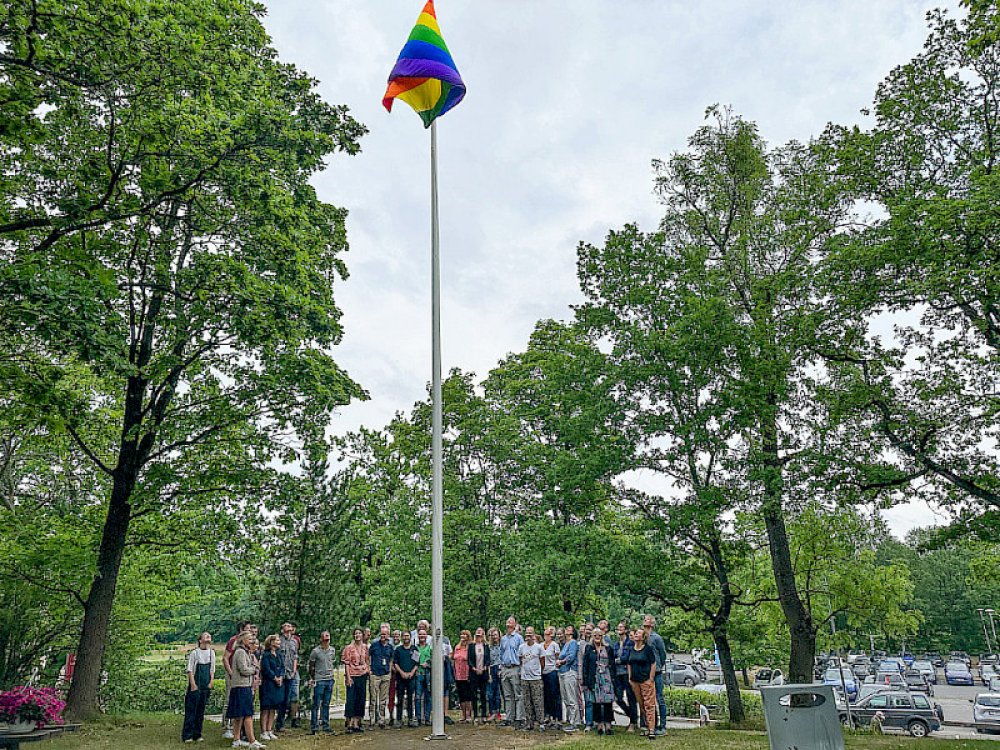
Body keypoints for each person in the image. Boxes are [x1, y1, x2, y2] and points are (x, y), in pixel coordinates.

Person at [227, 632, 264, 750]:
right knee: (247, 715)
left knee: (239, 716)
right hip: (241, 686)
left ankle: (236, 739)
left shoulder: (245, 652)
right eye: (249, 638)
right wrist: (254, 669)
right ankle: (252, 741)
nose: (251, 641)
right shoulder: (240, 652)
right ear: (243, 640)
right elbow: (243, 669)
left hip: (242, 686)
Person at [182, 632, 215, 743]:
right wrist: (193, 684)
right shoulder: (195, 653)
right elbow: (190, 669)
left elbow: (212, 670)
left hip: (205, 685)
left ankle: (197, 734)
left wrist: (211, 682)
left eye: (209, 636)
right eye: (206, 636)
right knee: (192, 710)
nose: (208, 638)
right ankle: (187, 735)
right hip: (196, 684)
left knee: (201, 710)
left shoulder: (211, 653)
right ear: (200, 640)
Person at [583, 627, 615, 735]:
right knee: (596, 701)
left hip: (606, 677)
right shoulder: (589, 648)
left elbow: (612, 664)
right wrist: (585, 680)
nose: (597, 637)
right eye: (595, 635)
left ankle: (608, 724)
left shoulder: (608, 648)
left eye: (600, 635)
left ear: (602, 637)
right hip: (594, 678)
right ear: (592, 637)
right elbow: (585, 665)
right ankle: (599, 724)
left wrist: (614, 679)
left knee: (607, 702)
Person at [627, 627, 658, 740]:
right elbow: (629, 663)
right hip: (635, 681)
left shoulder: (648, 649)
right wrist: (629, 677)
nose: (636, 634)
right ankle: (645, 726)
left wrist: (651, 678)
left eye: (638, 633)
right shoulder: (632, 649)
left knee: (649, 704)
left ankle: (652, 730)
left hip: (645, 680)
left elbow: (653, 663)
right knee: (641, 705)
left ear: (643, 637)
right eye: (635, 633)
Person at [222, 620, 250, 740]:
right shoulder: (233, 641)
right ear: (241, 629)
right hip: (234, 675)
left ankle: (239, 729)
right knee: (229, 700)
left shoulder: (247, 644)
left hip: (243, 677)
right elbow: (225, 658)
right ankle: (226, 727)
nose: (250, 631)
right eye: (247, 628)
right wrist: (231, 673)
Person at [643, 614, 668, 736]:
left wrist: (658, 666)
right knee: (648, 701)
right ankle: (650, 725)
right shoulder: (642, 637)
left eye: (649, 620)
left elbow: (662, 654)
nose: (646, 621)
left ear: (652, 624)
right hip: (644, 673)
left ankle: (662, 726)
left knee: (659, 699)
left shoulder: (656, 638)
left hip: (656, 673)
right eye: (645, 619)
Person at [611, 620, 638, 732]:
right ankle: (632, 715)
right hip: (618, 674)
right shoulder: (616, 644)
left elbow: (627, 658)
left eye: (621, 627)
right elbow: (612, 658)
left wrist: (617, 660)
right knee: (618, 698)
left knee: (631, 698)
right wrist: (617, 661)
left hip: (627, 673)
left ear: (626, 630)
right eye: (618, 627)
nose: (619, 629)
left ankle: (632, 723)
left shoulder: (630, 643)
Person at [343, 627, 371, 733]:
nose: (357, 635)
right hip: (352, 675)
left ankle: (356, 723)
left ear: (362, 635)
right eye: (356, 634)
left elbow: (367, 660)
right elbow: (346, 663)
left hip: (362, 675)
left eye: (359, 633)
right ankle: (349, 723)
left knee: (360, 699)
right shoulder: (348, 648)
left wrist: (368, 670)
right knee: (351, 699)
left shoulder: (365, 647)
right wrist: (348, 677)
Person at [307, 631, 336, 735]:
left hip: (330, 679)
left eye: (328, 637)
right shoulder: (316, 651)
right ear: (321, 639)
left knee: (326, 703)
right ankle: (314, 726)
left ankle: (325, 724)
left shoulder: (332, 650)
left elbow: (332, 662)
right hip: (319, 680)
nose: (327, 640)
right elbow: (311, 665)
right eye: (325, 638)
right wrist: (312, 677)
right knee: (316, 704)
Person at [517, 626, 544, 731]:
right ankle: (529, 723)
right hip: (524, 677)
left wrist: (538, 672)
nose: (528, 635)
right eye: (527, 633)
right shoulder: (521, 647)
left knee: (538, 700)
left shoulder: (539, 647)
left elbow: (542, 662)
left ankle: (541, 722)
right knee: (527, 701)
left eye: (530, 633)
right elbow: (520, 660)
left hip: (536, 678)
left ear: (533, 635)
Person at [499, 616, 524, 726]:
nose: (508, 624)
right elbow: (501, 653)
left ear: (515, 625)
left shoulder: (519, 638)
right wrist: (501, 668)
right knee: (507, 695)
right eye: (507, 622)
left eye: (511, 622)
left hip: (515, 668)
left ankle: (519, 718)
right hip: (505, 668)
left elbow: (522, 654)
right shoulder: (503, 639)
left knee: (518, 694)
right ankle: (509, 718)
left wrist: (521, 669)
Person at [275, 622, 299, 732]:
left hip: (291, 673)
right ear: (282, 629)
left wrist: (294, 670)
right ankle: (279, 723)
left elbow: (295, 656)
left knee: (289, 698)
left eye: (290, 626)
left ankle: (289, 721)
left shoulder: (294, 641)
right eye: (286, 626)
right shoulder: (279, 641)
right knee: (281, 699)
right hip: (281, 674)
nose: (289, 627)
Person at [259, 635, 284, 741]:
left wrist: (281, 677)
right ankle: (263, 731)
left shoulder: (279, 654)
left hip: (278, 683)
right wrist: (274, 677)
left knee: (273, 707)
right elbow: (266, 669)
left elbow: (282, 666)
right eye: (277, 640)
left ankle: (270, 730)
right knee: (266, 708)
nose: (279, 642)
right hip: (268, 683)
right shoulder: (266, 655)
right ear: (271, 642)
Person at [369, 623, 394, 729]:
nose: (383, 636)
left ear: (388, 635)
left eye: (385, 634)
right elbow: (369, 657)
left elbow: (391, 660)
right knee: (373, 699)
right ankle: (371, 720)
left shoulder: (390, 647)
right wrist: (370, 669)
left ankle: (382, 720)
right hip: (375, 674)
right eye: (382, 634)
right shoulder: (374, 645)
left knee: (383, 699)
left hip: (385, 674)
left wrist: (390, 671)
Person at [557, 624, 580, 732]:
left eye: (569, 628)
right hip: (562, 672)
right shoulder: (565, 644)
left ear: (572, 632)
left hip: (569, 672)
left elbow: (571, 657)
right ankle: (569, 720)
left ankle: (574, 722)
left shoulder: (573, 642)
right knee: (565, 698)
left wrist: (560, 661)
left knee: (571, 698)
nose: (566, 629)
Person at [393, 631, 419, 728]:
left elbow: (416, 663)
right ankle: (399, 719)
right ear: (401, 638)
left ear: (410, 637)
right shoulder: (398, 650)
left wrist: (411, 673)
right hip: (400, 678)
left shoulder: (414, 649)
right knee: (399, 699)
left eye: (407, 636)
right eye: (404, 636)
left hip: (411, 678)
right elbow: (395, 663)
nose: (405, 638)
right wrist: (401, 672)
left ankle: (410, 719)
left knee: (410, 699)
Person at [540, 626, 561, 728]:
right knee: (546, 695)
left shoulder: (554, 645)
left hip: (552, 671)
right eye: (545, 634)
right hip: (543, 673)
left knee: (554, 695)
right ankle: (548, 716)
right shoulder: (540, 645)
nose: (546, 636)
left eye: (548, 634)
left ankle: (557, 718)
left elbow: (557, 658)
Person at [468, 627, 490, 724]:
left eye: (481, 633)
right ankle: (476, 715)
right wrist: (473, 668)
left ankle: (484, 715)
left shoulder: (486, 646)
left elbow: (488, 659)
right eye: (477, 633)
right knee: (473, 694)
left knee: (483, 694)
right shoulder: (471, 646)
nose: (479, 635)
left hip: (483, 673)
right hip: (474, 673)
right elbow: (469, 659)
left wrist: (485, 667)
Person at [452, 630, 473, 722]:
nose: (463, 636)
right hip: (458, 675)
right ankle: (463, 715)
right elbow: (454, 658)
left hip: (467, 674)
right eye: (462, 634)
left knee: (468, 695)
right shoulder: (457, 647)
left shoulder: (470, 647)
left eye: (465, 634)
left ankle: (469, 715)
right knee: (461, 695)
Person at [415, 629, 433, 726]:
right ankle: (418, 718)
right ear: (418, 635)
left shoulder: (430, 648)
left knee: (428, 697)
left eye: (424, 634)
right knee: (418, 697)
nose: (422, 636)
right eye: (420, 634)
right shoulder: (415, 648)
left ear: (426, 636)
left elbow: (433, 659)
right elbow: (413, 661)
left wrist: (428, 663)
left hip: (428, 675)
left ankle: (427, 718)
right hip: (418, 674)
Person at [486, 628, 503, 722]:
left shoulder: (502, 646)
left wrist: (501, 669)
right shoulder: (488, 647)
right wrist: (489, 674)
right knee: (491, 692)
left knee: (499, 692)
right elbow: (487, 661)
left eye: (496, 635)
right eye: (492, 635)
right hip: (491, 669)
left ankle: (498, 712)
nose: (494, 637)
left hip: (500, 669)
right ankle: (492, 712)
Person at [388, 628, 402, 721]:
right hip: (391, 674)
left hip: (401, 674)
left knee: (400, 695)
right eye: (394, 636)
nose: (395, 637)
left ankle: (399, 716)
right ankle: (391, 715)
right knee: (391, 695)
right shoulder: (390, 646)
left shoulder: (402, 647)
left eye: (397, 635)